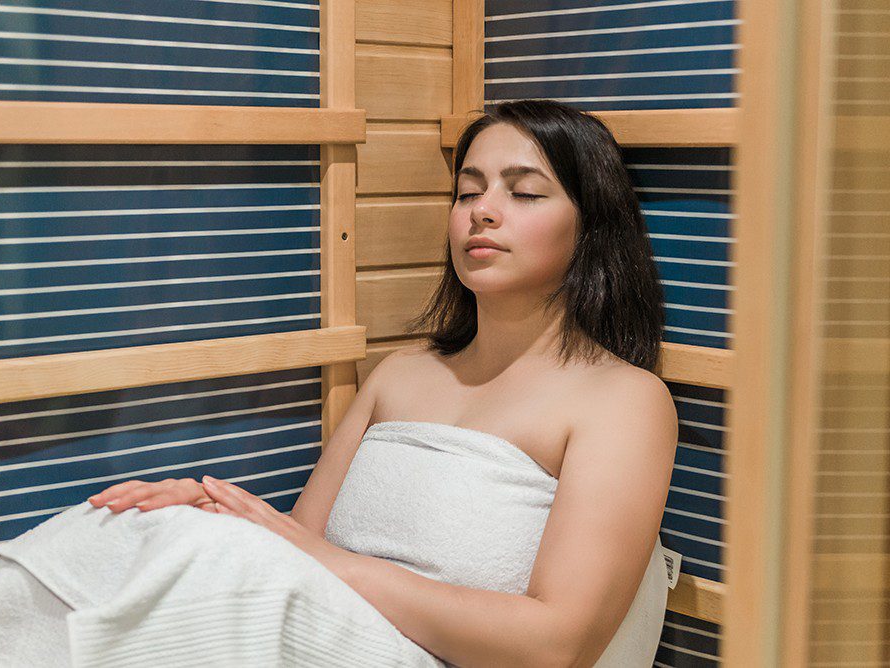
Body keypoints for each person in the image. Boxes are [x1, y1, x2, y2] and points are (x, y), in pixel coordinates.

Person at [87, 99, 679, 667]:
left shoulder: (621, 401)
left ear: (592, 224)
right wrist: (211, 518)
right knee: (106, 544)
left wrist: (335, 566)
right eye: (468, 191)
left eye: (523, 192)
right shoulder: (401, 374)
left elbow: (556, 646)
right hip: (325, 641)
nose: (483, 210)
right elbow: (298, 548)